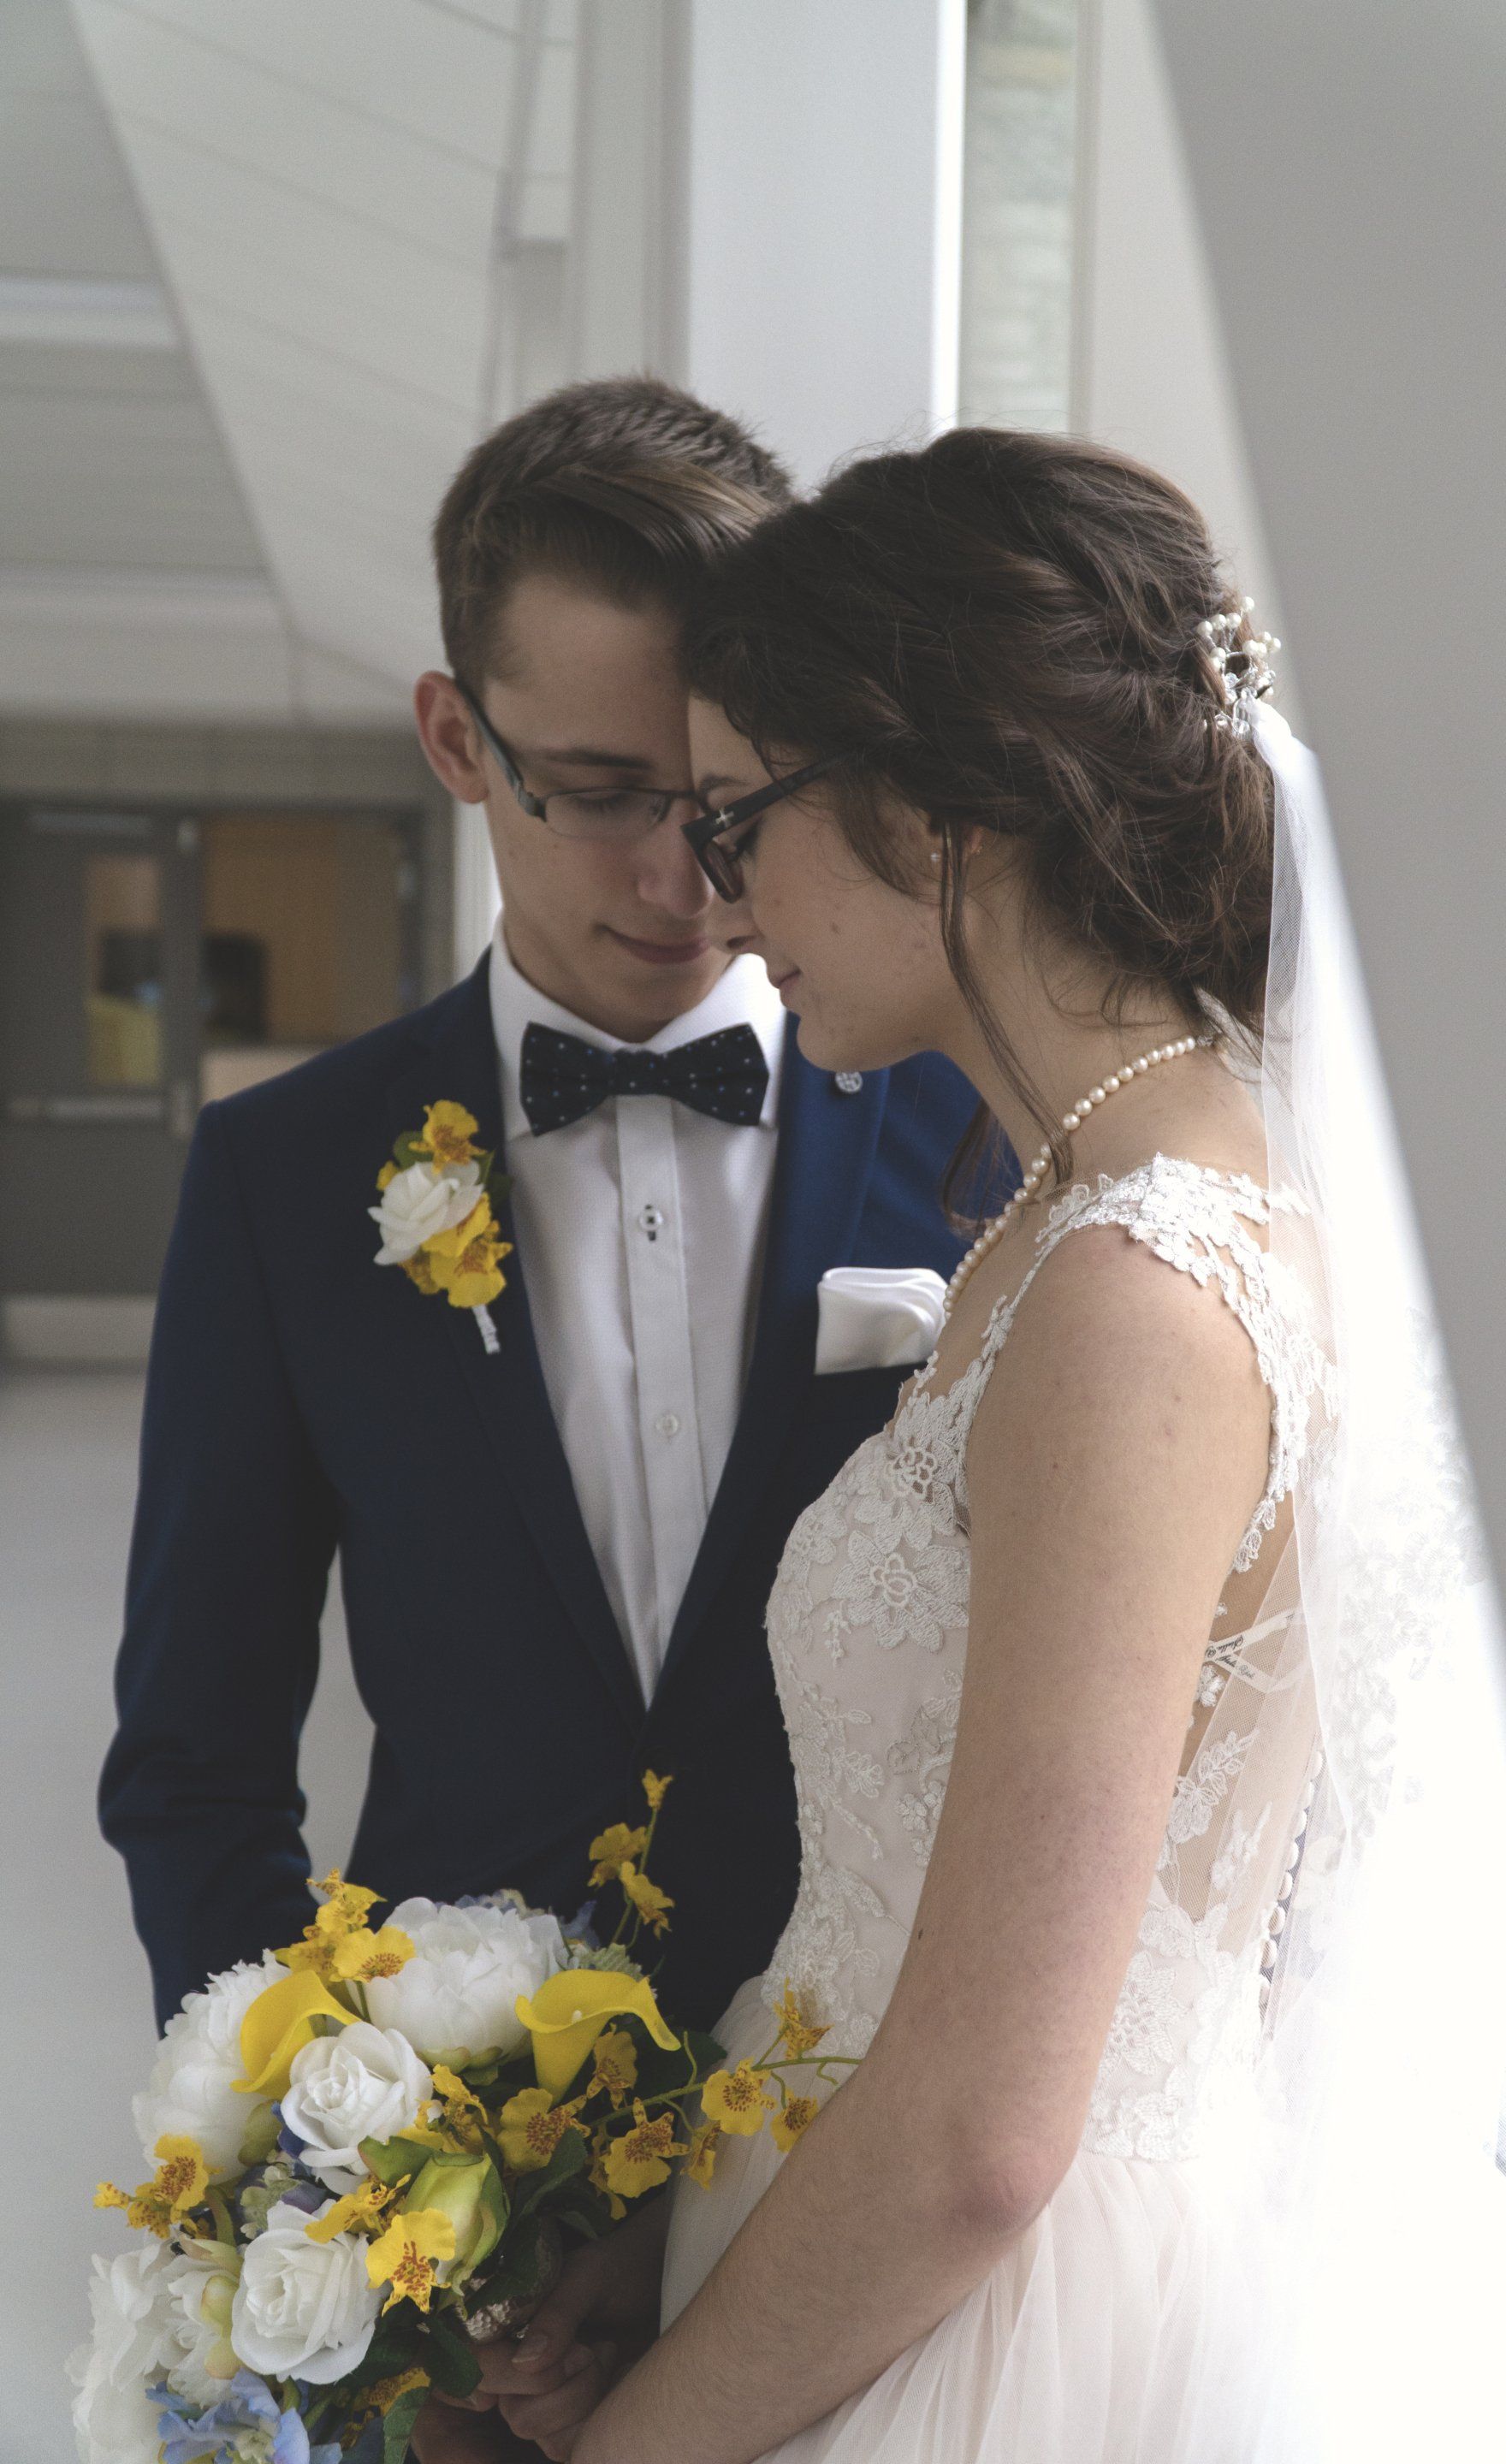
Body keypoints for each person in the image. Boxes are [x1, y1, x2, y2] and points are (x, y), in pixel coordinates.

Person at [480, 428, 1506, 2461]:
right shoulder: (1079, 1210)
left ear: (935, 811)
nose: (713, 895)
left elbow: (986, 2131)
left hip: (1003, 2334)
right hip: (850, 2255)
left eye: (740, 822)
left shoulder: (1138, 1293)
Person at [99, 381, 979, 2451]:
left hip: (858, 2213)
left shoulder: (969, 1131)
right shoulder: (284, 1179)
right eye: (595, 792)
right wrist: (348, 2179)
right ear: (451, 735)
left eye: (724, 798)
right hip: (461, 2259)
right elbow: (196, 1760)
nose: (679, 874)